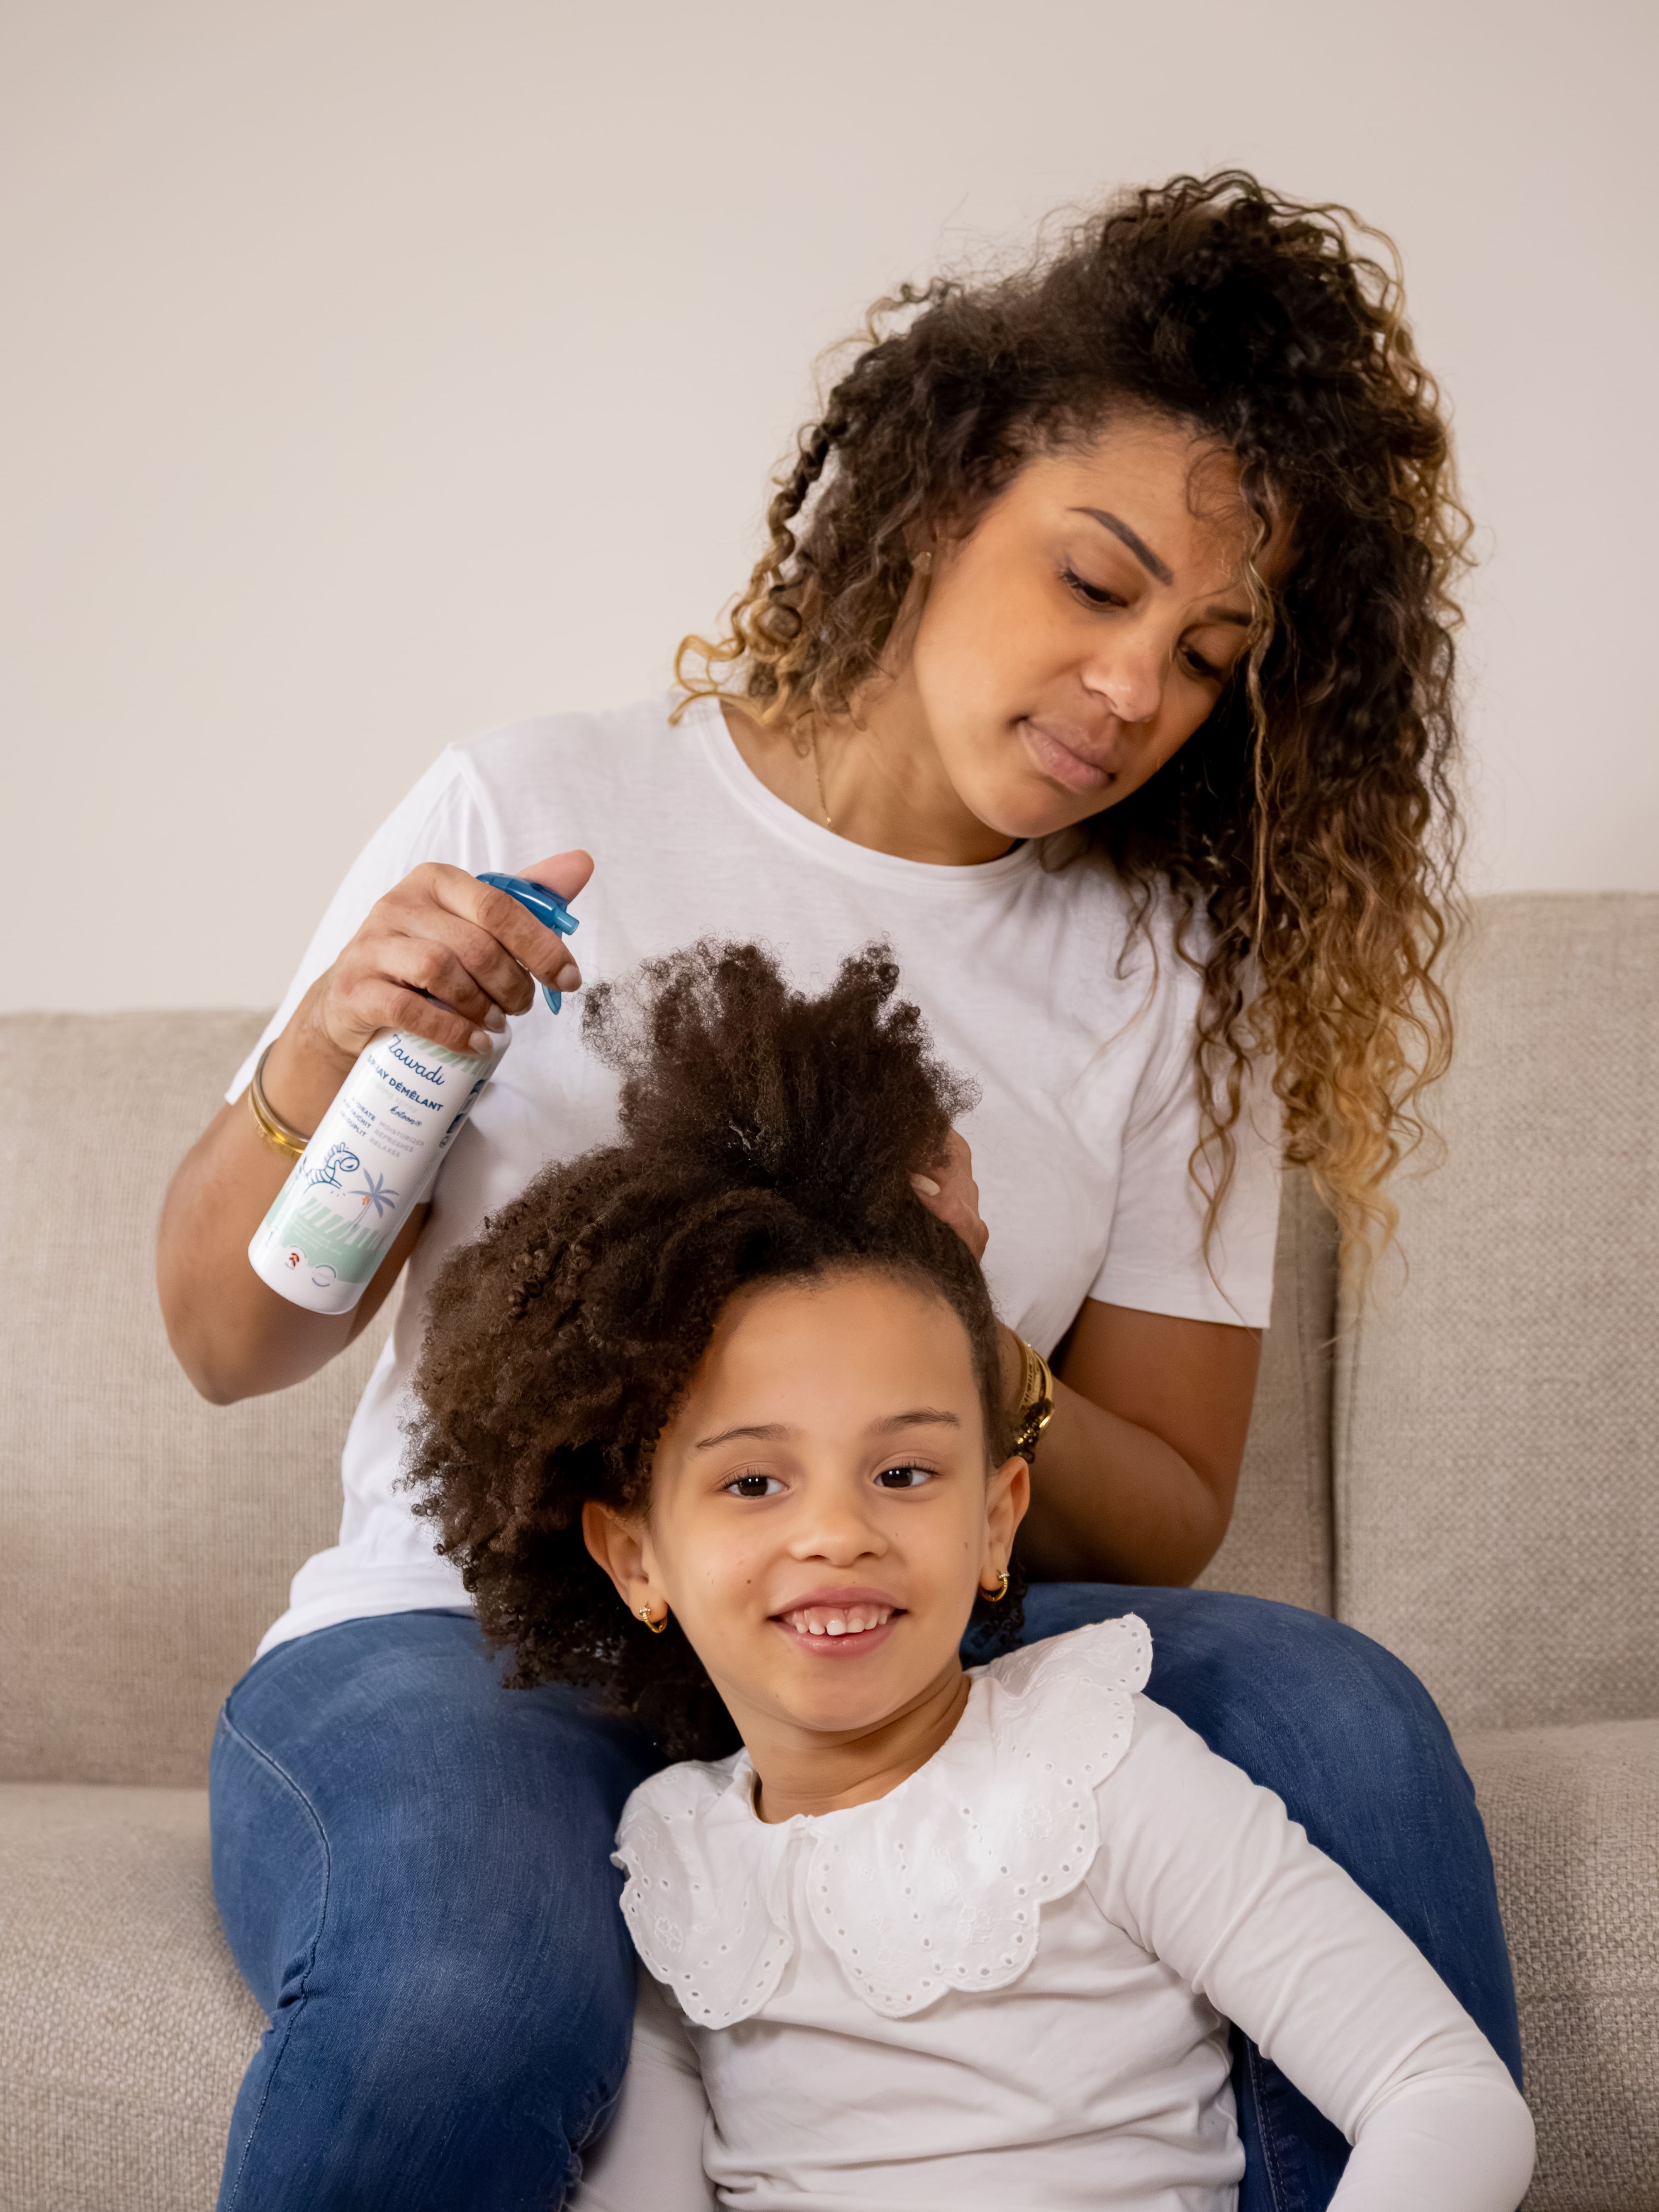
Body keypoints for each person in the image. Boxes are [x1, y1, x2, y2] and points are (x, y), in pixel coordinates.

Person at [157, 170, 1517, 2212]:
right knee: (465, 1982)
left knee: (1338, 1712)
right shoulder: (537, 807)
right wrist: (324, 1059)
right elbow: (220, 1336)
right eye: (1094, 580)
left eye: (1207, 652)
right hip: (479, 1643)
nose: (1136, 686)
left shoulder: (1166, 977)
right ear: (929, 500)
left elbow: (1169, 1511)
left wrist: (950, 1325)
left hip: (897, 1618)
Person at [406, 938, 1535, 2212]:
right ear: (634, 1557)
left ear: (1000, 1521)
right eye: (754, 1482)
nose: (838, 1533)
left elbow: (1444, 2093)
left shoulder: (1102, 1773)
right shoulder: (670, 1856)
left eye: (903, 1475)